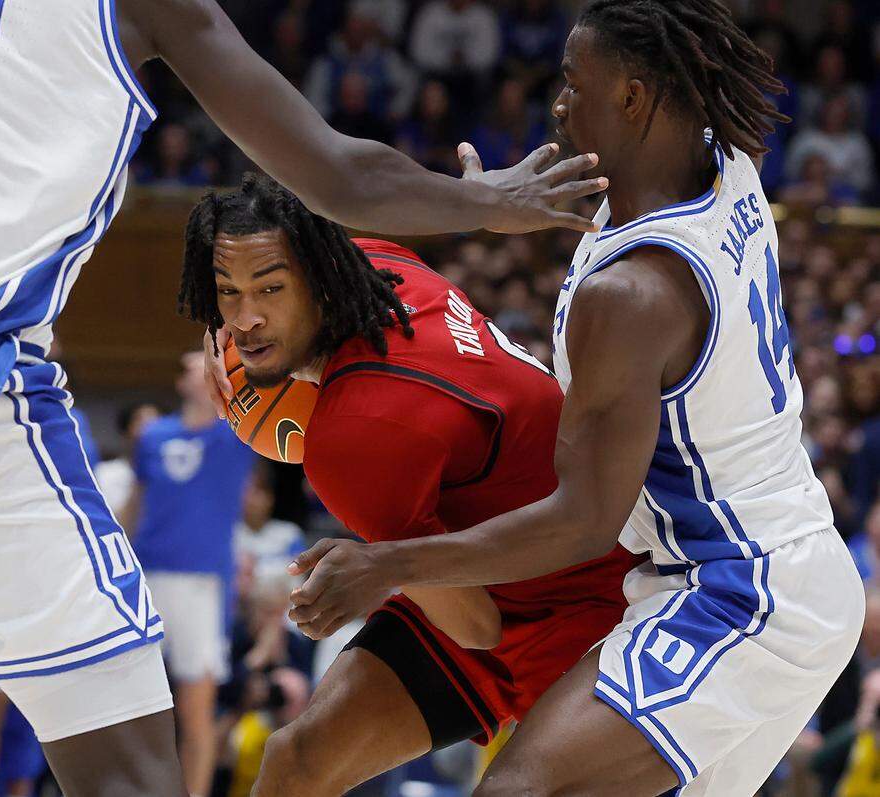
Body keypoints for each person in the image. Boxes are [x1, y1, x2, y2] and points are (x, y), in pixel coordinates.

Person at [0, 1, 604, 795]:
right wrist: (486, 201)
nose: (248, 319)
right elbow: (340, 175)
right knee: (139, 775)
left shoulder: (378, 362)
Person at [281, 1, 867, 794]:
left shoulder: (630, 296)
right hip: (782, 557)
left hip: (740, 591)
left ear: (633, 96)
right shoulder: (719, 157)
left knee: (520, 787)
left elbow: (584, 520)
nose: (556, 103)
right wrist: (485, 203)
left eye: (571, 82)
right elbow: (613, 201)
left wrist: (388, 564)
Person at [181, 174, 639, 796]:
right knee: (299, 761)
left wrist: (376, 565)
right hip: (486, 554)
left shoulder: (356, 439)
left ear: (317, 278)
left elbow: (476, 630)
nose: (244, 320)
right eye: (226, 293)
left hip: (586, 598)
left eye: (270, 289)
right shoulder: (382, 264)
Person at [124, 351, 257, 797]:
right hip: (147, 578)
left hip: (203, 583)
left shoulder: (239, 435)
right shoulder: (153, 435)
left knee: (195, 710)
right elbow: (135, 505)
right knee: (132, 708)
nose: (194, 372)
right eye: (189, 366)